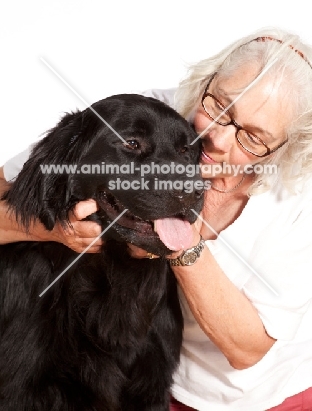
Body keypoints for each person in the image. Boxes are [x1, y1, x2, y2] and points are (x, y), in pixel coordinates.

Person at [1, 27, 312, 411]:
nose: (218, 138)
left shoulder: (301, 198)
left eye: (253, 137)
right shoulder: (146, 114)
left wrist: (181, 246)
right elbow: (21, 187)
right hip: (154, 374)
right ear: (207, 79)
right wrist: (59, 228)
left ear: (284, 147)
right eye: (220, 106)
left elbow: (247, 349)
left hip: (255, 397)